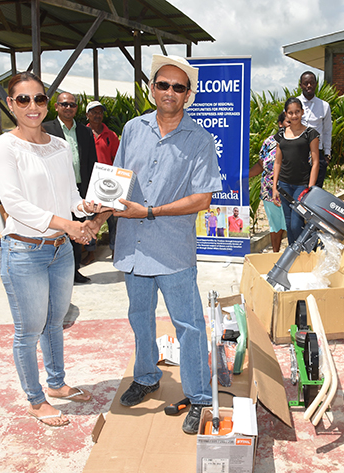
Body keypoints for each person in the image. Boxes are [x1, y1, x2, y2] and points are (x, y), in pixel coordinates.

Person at [85, 54, 221, 435]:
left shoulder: (200, 140)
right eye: (163, 84)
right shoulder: (132, 129)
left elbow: (202, 199)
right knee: (139, 319)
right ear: (152, 89)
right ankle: (146, 377)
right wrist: (99, 214)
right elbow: (119, 182)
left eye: (179, 87)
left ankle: (198, 397)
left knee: (189, 325)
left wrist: (149, 211)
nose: (170, 92)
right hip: (133, 245)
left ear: (188, 95)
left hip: (173, 249)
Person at [0, 72, 96, 427]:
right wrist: (68, 225)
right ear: (11, 104)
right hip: (23, 251)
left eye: (39, 99)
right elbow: (16, 205)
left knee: (55, 323)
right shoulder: (5, 146)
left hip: (59, 251)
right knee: (29, 330)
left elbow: (70, 199)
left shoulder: (60, 146)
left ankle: (57, 384)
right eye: (23, 100)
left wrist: (90, 207)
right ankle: (35, 400)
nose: (33, 106)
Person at [43, 92, 98, 283]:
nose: (68, 108)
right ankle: (54, 273)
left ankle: (73, 272)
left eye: (72, 105)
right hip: (55, 190)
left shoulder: (85, 131)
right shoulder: (45, 129)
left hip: (80, 190)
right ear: (56, 107)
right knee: (57, 230)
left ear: (77, 108)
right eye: (64, 104)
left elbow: (92, 162)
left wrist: (92, 190)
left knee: (77, 230)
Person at [273, 97, 320, 245]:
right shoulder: (281, 135)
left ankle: (306, 249)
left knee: (296, 223)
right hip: (285, 185)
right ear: (286, 114)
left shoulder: (310, 134)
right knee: (288, 224)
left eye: (297, 112)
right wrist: (275, 187)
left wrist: (310, 187)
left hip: (302, 185)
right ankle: (294, 254)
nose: (294, 116)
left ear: (302, 112)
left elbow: (316, 161)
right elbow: (277, 162)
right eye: (290, 113)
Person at [249, 111, 289, 252]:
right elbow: (261, 165)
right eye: (287, 121)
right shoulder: (269, 142)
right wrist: (244, 175)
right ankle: (276, 255)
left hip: (291, 191)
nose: (291, 124)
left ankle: (293, 259)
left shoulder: (301, 141)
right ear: (280, 124)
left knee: (292, 226)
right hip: (269, 191)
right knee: (275, 226)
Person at [86, 100, 121, 253]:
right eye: (94, 112)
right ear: (87, 115)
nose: (97, 115)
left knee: (113, 218)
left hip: (109, 183)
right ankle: (90, 251)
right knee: (90, 217)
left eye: (100, 112)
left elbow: (118, 158)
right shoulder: (82, 133)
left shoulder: (110, 135)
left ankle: (114, 249)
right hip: (89, 183)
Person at [298, 72, 332, 188]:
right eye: (305, 83)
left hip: (317, 153)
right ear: (300, 85)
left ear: (316, 84)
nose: (309, 86)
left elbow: (327, 130)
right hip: (297, 152)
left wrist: (327, 154)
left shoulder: (324, 105)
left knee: (314, 189)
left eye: (311, 83)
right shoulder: (293, 104)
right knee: (297, 187)